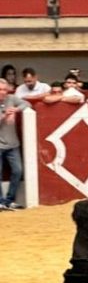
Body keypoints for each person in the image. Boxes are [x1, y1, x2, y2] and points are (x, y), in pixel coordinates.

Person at [0, 78, 30, 211]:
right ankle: (0, 202)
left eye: (4, 90)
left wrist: (15, 110)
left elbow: (27, 103)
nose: (3, 92)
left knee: (18, 171)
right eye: (0, 90)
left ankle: (9, 200)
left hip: (13, 143)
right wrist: (5, 115)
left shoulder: (11, 98)